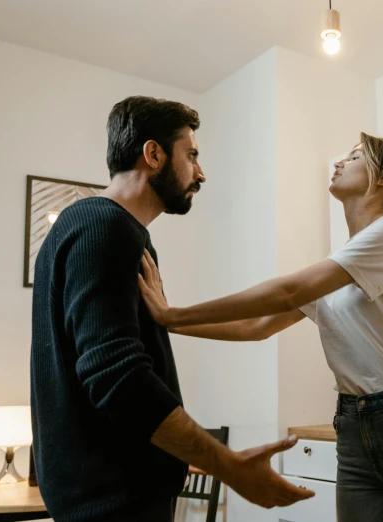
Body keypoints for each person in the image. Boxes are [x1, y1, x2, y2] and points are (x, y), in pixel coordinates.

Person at [137, 132, 383, 521]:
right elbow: (256, 325)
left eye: (354, 157)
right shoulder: (341, 266)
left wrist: (173, 314)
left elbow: (288, 291)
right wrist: (167, 323)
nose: (339, 163)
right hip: (354, 425)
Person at [30, 96, 313, 522]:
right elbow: (117, 377)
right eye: (192, 155)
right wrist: (228, 466)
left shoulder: (100, 228)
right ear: (154, 154)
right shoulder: (105, 228)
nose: (201, 173)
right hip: (114, 505)